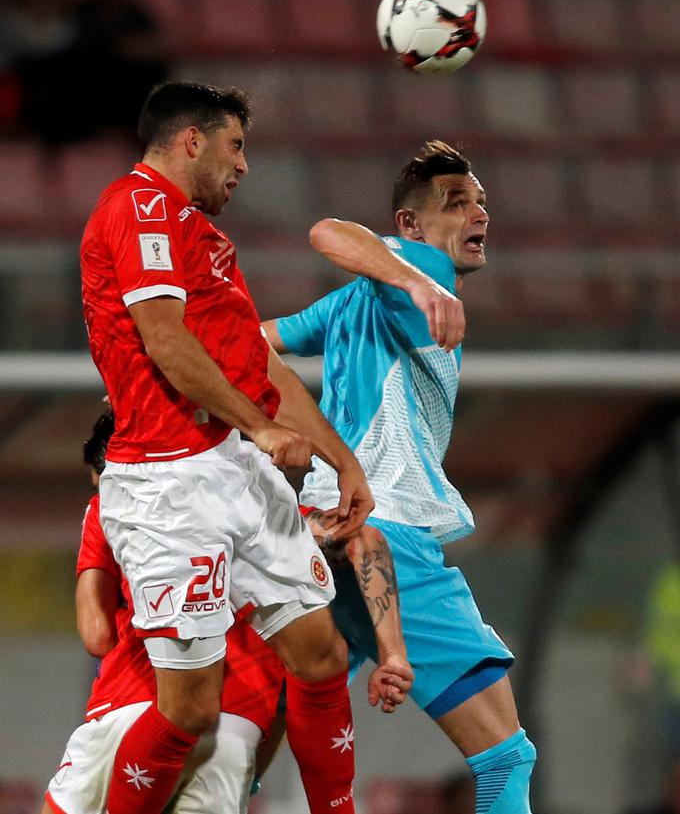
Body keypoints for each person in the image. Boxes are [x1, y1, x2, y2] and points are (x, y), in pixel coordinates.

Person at [79, 80, 376, 814]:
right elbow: (163, 337)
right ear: (192, 140)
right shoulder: (138, 205)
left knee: (321, 653)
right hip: (166, 481)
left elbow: (264, 364)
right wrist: (262, 426)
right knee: (189, 710)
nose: (243, 166)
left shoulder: (204, 238)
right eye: (235, 146)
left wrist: (342, 457)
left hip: (235, 468)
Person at [264, 140, 537, 814]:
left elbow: (258, 337)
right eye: (456, 202)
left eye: (482, 202)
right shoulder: (419, 273)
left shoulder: (355, 301)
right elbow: (330, 231)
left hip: (320, 533)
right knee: (507, 755)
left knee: (251, 739)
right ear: (409, 226)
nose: (479, 213)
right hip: (388, 533)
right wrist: (419, 279)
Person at [43, 413, 412, 814]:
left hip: (141, 710)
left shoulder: (114, 508)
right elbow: (365, 540)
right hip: (235, 731)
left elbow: (96, 633)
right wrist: (392, 654)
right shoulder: (263, 510)